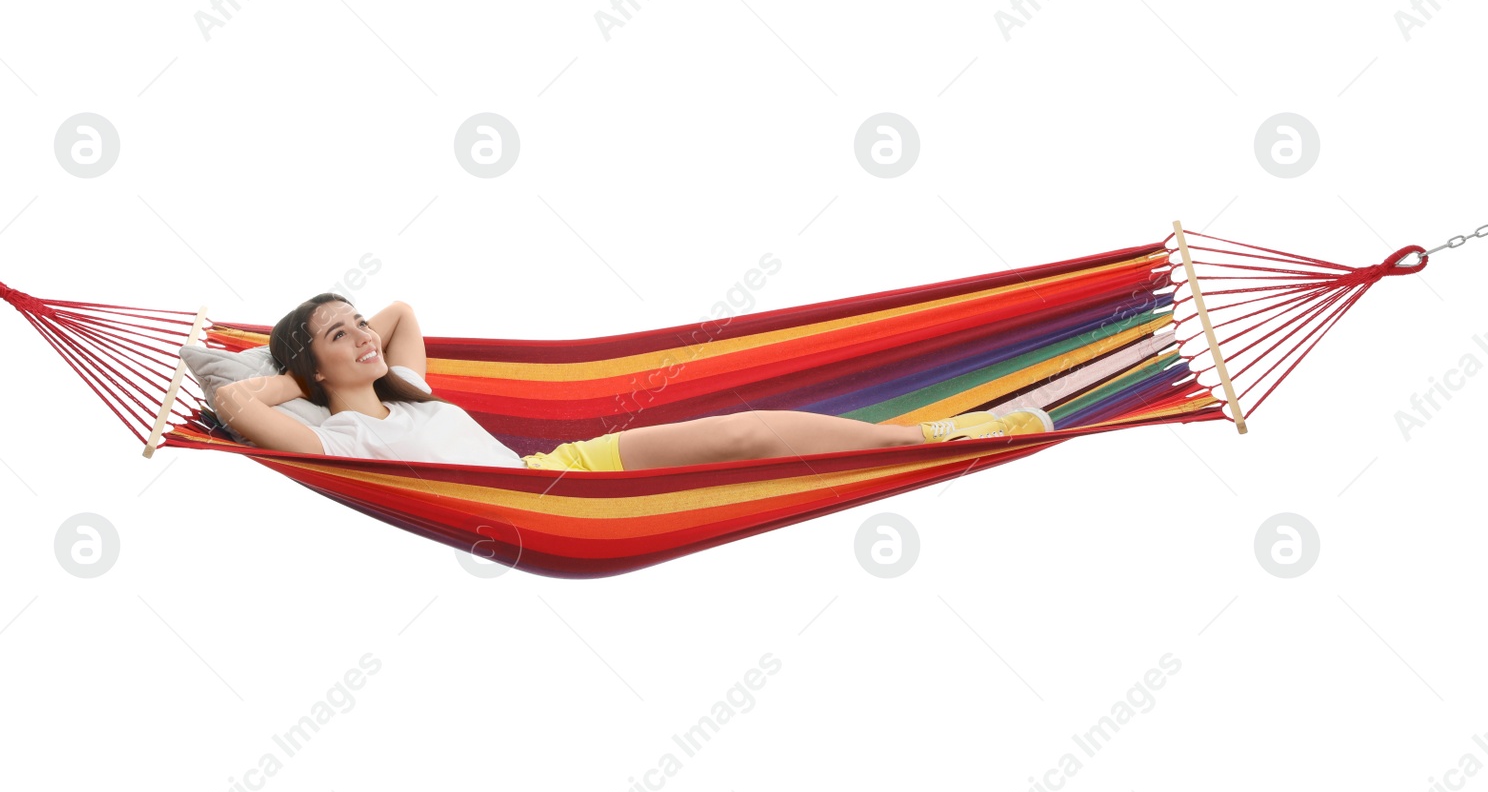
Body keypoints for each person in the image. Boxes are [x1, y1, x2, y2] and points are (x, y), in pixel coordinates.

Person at [212, 293, 1053, 472]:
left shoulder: (405, 385)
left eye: (353, 322)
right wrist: (297, 382)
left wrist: (345, 348)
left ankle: (941, 436)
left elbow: (400, 311)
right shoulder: (339, 438)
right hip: (541, 506)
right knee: (745, 438)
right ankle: (943, 439)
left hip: (564, 470)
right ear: (309, 364)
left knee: (746, 428)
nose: (363, 333)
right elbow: (230, 400)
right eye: (338, 333)